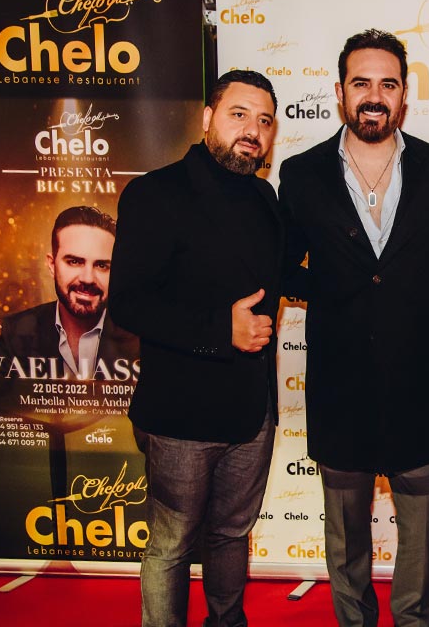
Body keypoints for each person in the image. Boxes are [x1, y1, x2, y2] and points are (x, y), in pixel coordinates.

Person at [278, 29, 429, 627]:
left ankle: (415, 619)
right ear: (339, 92)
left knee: (422, 531)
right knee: (344, 535)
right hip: (338, 387)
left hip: (417, 385)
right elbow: (281, 266)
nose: (374, 96)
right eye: (361, 83)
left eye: (388, 84)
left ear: (404, 95)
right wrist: (333, 287)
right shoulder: (302, 173)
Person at [109, 70, 283, 627]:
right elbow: (129, 303)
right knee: (172, 542)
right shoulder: (154, 193)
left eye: (264, 121)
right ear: (207, 118)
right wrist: (219, 330)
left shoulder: (265, 196)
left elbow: (282, 278)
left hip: (251, 410)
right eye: (239, 114)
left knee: (232, 533)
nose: (252, 130)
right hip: (179, 413)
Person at [0, 205, 137, 380]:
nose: (87, 279)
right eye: (74, 262)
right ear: (52, 265)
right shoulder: (13, 332)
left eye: (102, 265)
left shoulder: (139, 337)